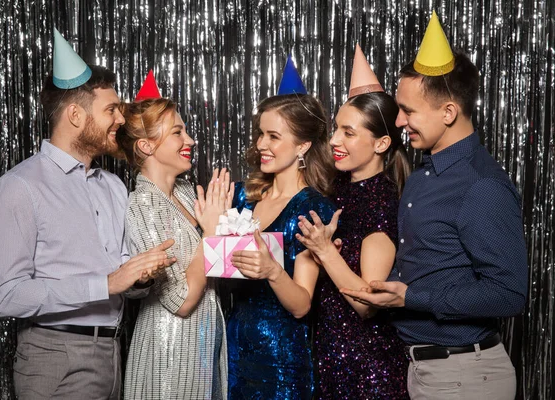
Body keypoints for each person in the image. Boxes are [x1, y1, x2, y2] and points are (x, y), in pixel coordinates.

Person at [342, 13, 528, 399]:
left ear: (448, 113)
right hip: (422, 369)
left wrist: (410, 298)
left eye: (408, 110)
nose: (398, 120)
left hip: (465, 373)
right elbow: (431, 260)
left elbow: (509, 293)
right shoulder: (423, 176)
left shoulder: (481, 185)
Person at [0, 30, 175, 400]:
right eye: (111, 110)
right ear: (75, 115)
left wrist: (140, 277)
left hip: (114, 353)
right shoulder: (18, 188)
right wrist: (106, 283)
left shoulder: (113, 186)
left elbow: (119, 270)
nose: (121, 118)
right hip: (55, 357)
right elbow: (6, 296)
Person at [295, 44, 410, 399]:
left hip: (367, 369)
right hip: (331, 360)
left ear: (381, 144)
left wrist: (326, 252)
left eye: (348, 132)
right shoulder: (337, 192)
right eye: (336, 129)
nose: (333, 141)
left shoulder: (382, 202)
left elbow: (366, 302)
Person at [226, 56, 337, 399]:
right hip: (232, 348)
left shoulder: (313, 209)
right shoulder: (241, 196)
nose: (261, 144)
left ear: (303, 145)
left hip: (281, 360)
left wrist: (273, 271)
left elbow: (302, 304)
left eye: (274, 136)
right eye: (261, 133)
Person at [117, 86, 232, 399]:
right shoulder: (141, 205)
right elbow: (180, 301)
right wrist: (210, 234)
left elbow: (217, 263)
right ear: (146, 146)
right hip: (169, 354)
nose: (190, 141)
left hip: (205, 343)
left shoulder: (185, 192)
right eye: (178, 133)